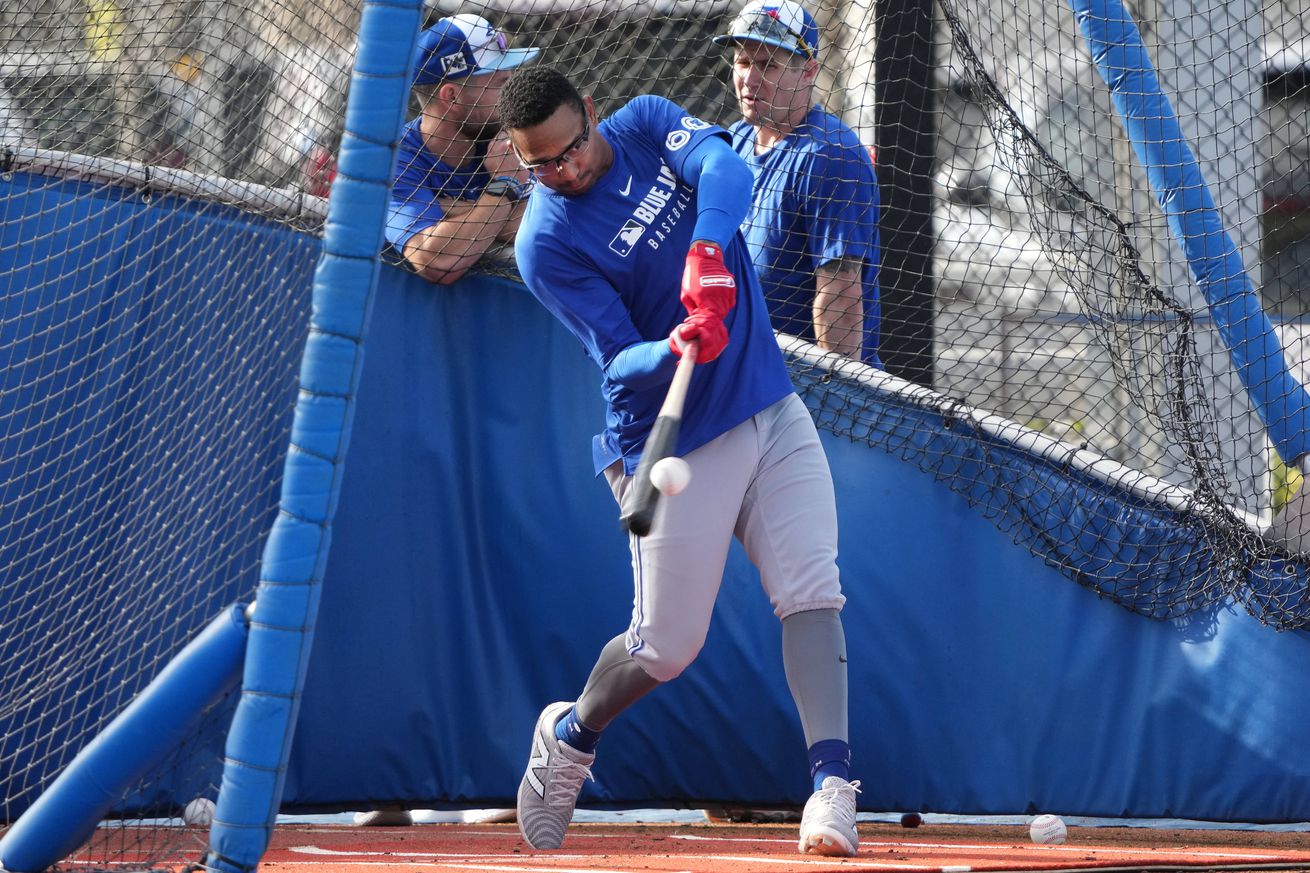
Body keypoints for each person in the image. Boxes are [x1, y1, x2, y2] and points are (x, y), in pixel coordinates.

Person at [496, 66, 860, 858]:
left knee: (811, 589)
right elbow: (615, 357)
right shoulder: (545, 240)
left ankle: (832, 786)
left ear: (592, 114)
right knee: (665, 648)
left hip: (766, 400)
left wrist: (705, 248)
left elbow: (725, 169)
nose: (564, 170)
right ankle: (570, 731)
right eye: (541, 165)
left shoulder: (641, 121)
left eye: (570, 148)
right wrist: (673, 345)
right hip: (676, 444)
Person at [712, 0, 881, 364]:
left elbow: (840, 293)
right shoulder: (735, 140)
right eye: (743, 62)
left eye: (767, 65)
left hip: (803, 388)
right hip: (743, 372)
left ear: (808, 72)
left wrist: (835, 398)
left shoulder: (830, 154)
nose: (749, 79)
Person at [384, 14, 540, 284]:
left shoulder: (512, 132)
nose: (513, 95)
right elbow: (436, 261)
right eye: (501, 85)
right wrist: (506, 186)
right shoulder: (395, 159)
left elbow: (556, 222)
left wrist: (447, 209)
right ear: (452, 97)